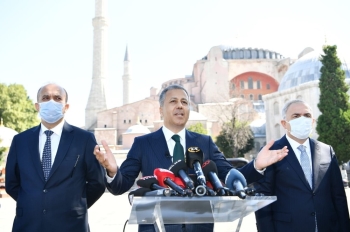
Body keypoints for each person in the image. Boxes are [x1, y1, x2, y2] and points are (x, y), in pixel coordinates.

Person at [94, 84, 288, 232]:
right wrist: (112, 170)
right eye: (173, 101)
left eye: (184, 102)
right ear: (161, 110)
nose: (180, 106)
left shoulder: (205, 143)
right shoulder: (143, 144)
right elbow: (121, 185)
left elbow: (230, 176)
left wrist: (257, 165)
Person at [5, 83, 105, 232]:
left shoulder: (84, 139)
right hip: (27, 224)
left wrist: (75, 206)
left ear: (66, 106)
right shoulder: (20, 141)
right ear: (37, 106)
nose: (51, 101)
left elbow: (97, 183)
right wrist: (32, 204)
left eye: (57, 98)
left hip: (71, 225)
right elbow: (12, 183)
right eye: (45, 98)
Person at [254, 99, 350, 232]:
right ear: (284, 123)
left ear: (313, 121)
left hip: (327, 226)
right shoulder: (271, 153)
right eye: (296, 116)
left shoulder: (326, 150)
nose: (302, 119)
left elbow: (338, 195)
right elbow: (262, 198)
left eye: (307, 115)